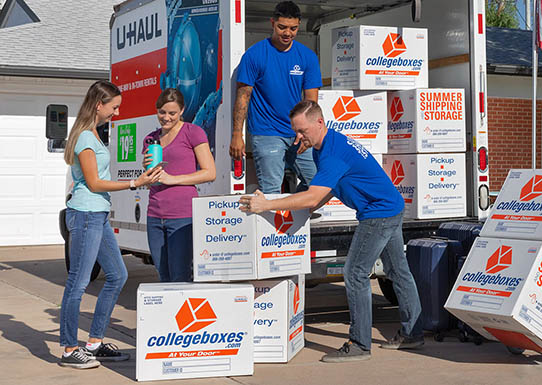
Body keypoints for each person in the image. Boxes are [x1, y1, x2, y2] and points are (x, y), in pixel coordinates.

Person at [239, 100, 422, 363]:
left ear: (319, 122)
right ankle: (412, 333)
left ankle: (360, 343)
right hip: (390, 207)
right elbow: (326, 191)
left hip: (378, 213)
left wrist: (268, 204)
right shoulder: (324, 146)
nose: (298, 138)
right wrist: (296, 209)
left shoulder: (332, 153)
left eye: (302, 131)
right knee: (397, 271)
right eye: (295, 132)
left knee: (355, 273)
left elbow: (313, 198)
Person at [60, 80, 163, 368]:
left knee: (117, 275)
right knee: (78, 283)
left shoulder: (94, 133)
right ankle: (69, 349)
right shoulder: (84, 138)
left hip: (98, 215)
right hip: (85, 215)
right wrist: (135, 183)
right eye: (114, 107)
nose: (116, 113)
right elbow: (93, 183)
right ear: (98, 105)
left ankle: (93, 343)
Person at [231, 1, 321, 196]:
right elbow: (243, 97)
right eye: (282, 27)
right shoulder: (254, 55)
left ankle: (296, 215)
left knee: (318, 184)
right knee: (271, 191)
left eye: (293, 28)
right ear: (272, 23)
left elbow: (311, 103)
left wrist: (308, 132)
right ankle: (273, 225)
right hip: (267, 133)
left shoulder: (307, 57)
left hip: (298, 133)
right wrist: (237, 135)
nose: (287, 33)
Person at [143, 88, 216, 282]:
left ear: (182, 110)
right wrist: (147, 171)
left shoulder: (193, 132)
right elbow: (150, 177)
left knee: (180, 276)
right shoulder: (150, 139)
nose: (166, 117)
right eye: (162, 112)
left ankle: (180, 312)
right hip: (155, 215)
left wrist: (172, 178)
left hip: (183, 216)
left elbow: (210, 172)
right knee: (162, 274)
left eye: (172, 113)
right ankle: (168, 313)